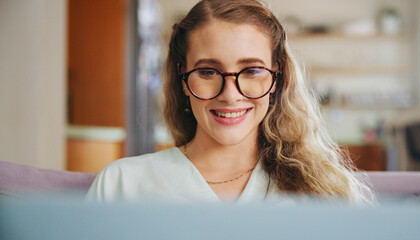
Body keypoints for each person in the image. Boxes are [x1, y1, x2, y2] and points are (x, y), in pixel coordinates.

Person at [86, 0, 374, 204]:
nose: (230, 94)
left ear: (277, 77)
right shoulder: (121, 184)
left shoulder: (325, 192)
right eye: (208, 71)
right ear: (182, 79)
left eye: (251, 70)